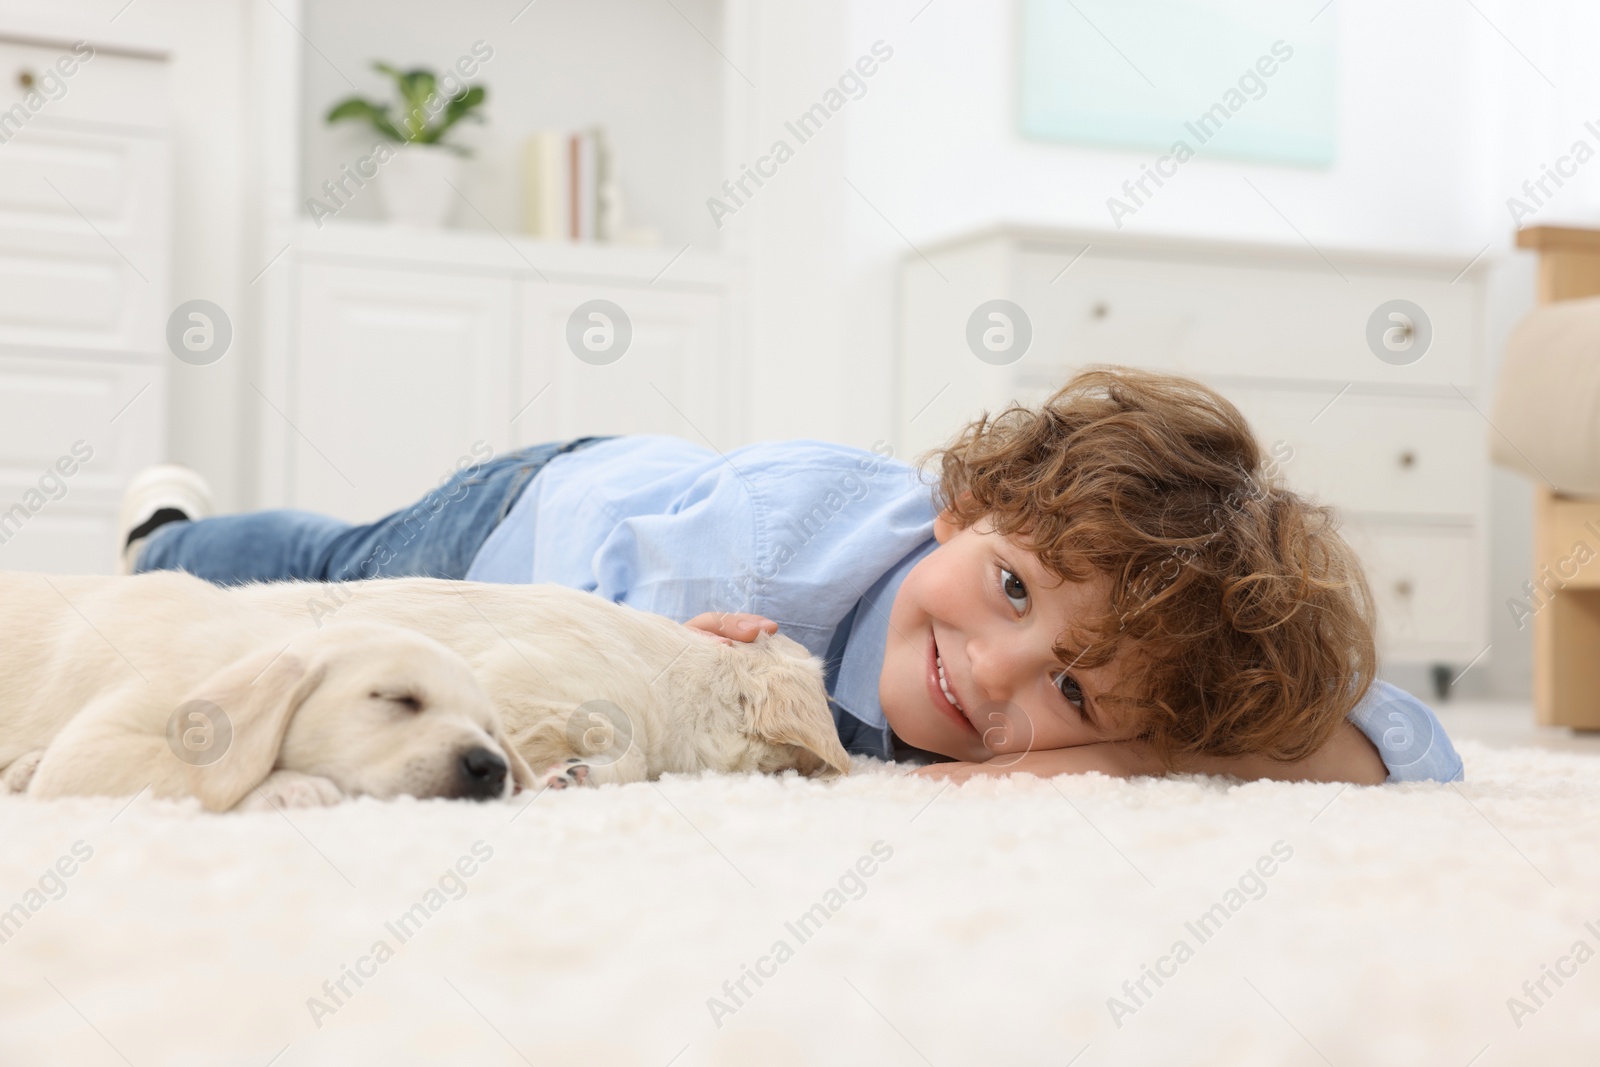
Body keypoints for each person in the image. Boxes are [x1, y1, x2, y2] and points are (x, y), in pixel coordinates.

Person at [123, 367, 1462, 786]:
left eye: (1073, 686)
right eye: (1011, 591)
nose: (992, 676)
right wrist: (654, 661)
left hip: (582, 533)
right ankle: (169, 540)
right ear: (965, 512)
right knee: (330, 579)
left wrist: (1114, 756)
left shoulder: (1097, 737)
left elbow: (1408, 748)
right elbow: (579, 684)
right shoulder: (769, 544)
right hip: (528, 530)